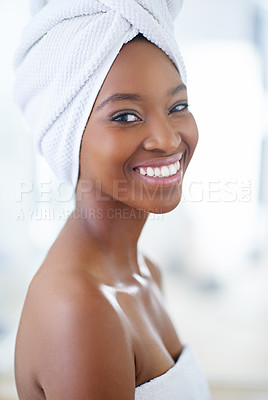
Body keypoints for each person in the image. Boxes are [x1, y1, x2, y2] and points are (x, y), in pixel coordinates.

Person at [13, 1, 211, 399]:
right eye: (125, 116)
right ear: (65, 137)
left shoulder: (145, 272)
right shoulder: (79, 308)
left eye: (178, 106)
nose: (168, 139)